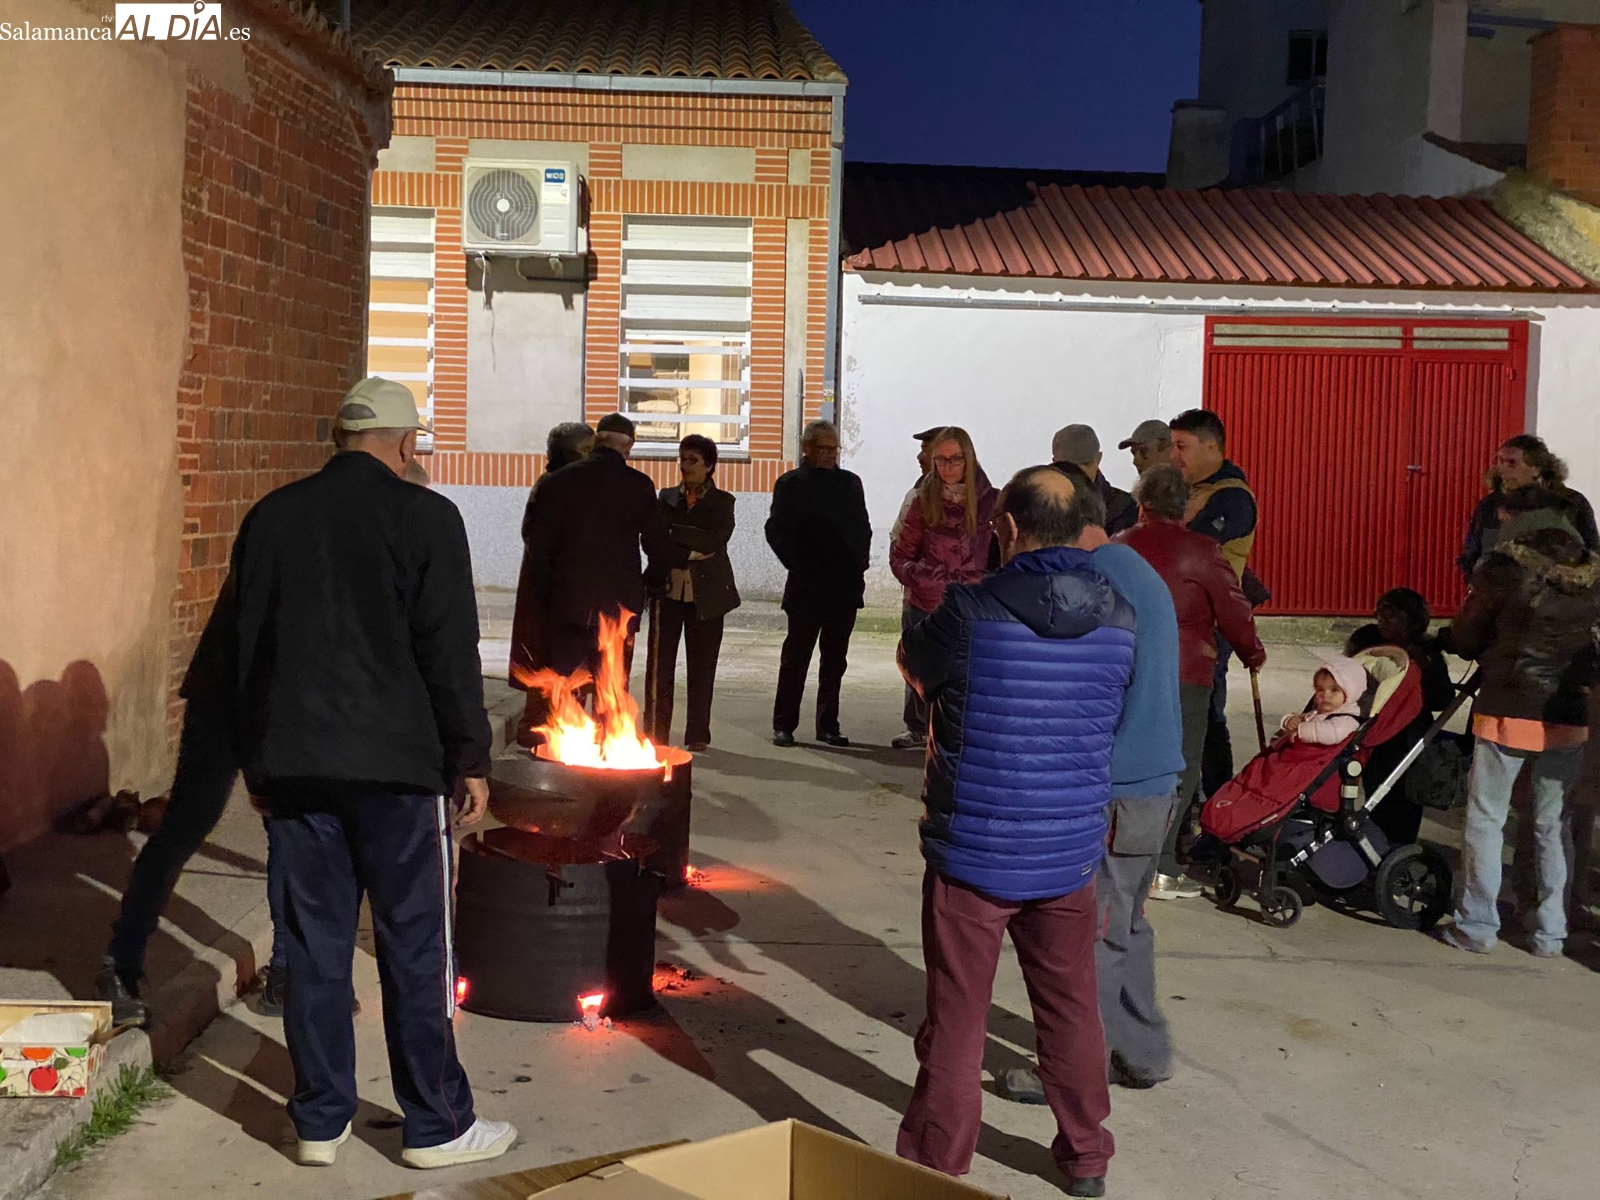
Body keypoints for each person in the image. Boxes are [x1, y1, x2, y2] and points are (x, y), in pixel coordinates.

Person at [211, 377, 513, 1168]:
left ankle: (318, 1120)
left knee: (312, 944)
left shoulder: (271, 517)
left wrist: (256, 757)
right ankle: (437, 1126)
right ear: (409, 443)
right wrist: (470, 758)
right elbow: (448, 650)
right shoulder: (424, 517)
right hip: (397, 773)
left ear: (338, 437)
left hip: (296, 767)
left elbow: (237, 649)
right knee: (415, 944)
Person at [896, 466, 1132, 1199]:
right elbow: (1110, 717)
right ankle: (1087, 1156)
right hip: (1067, 851)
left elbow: (916, 666)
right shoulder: (1122, 617)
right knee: (1070, 1011)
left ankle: (942, 1163)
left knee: (959, 1016)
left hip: (976, 848)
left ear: (1007, 528)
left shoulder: (970, 610)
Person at [1437, 488, 1600, 958]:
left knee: (1486, 818)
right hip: (1568, 714)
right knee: (1552, 824)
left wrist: (1449, 638)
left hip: (1508, 707)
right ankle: (1550, 932)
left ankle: (1477, 925)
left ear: (1519, 520)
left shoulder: (1503, 570)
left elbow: (1468, 637)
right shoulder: (1591, 572)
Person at [1114, 465, 1264, 902]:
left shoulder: (1119, 546)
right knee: (1178, 766)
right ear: (1185, 507)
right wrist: (1252, 652)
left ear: (1142, 503)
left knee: (1122, 755)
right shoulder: (1201, 550)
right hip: (1183, 671)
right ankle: (1160, 866)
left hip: (1122, 666)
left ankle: (1117, 848)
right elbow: (1233, 608)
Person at [1080, 490, 1188, 1090]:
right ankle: (1139, 1051)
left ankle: (1078, 1068)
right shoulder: (1135, 568)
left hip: (1119, 785)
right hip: (1151, 783)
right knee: (1127, 924)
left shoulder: (1096, 578)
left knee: (1093, 934)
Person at [510, 413, 684, 705]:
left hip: (569, 603)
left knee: (566, 687)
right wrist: (654, 580)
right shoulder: (638, 485)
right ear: (629, 447)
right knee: (611, 689)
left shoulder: (559, 482)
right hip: (619, 606)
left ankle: (565, 747)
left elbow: (537, 543)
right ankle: (608, 743)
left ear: (595, 441)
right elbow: (657, 544)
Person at [1169, 408, 1260, 799]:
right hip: (1178, 623)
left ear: (1212, 447)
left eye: (1181, 446)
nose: (1174, 455)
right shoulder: (1191, 489)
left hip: (1210, 628)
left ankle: (1217, 804)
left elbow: (1191, 549)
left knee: (1206, 719)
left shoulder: (1233, 499)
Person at [889, 427, 997, 751]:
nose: (947, 467)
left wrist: (980, 582)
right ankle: (919, 728)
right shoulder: (922, 500)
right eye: (941, 460)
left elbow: (1004, 555)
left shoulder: (991, 502)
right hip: (927, 603)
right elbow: (900, 556)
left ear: (969, 459)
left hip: (973, 606)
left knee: (967, 679)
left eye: (955, 459)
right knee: (922, 673)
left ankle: (964, 739)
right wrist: (928, 578)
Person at [767, 420, 872, 748]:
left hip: (842, 585)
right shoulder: (791, 484)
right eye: (823, 448)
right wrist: (796, 563)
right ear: (807, 449)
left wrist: (860, 565)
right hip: (806, 584)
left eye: (834, 448)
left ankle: (828, 724)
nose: (829, 454)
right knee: (796, 657)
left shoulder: (850, 484)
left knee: (834, 661)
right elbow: (777, 530)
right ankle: (784, 724)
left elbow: (862, 528)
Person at [645, 434, 740, 752]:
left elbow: (713, 543)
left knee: (702, 666)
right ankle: (655, 731)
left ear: (709, 466)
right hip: (668, 591)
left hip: (708, 594)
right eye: (682, 459)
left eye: (692, 460)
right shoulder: (666, 498)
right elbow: (653, 541)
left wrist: (674, 539)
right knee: (661, 667)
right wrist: (682, 549)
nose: (685, 466)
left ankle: (698, 733)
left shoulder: (723, 502)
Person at [1344, 588, 1455, 847]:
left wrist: (1425, 669)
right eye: (1380, 611)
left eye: (1391, 614)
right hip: (1372, 728)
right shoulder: (1367, 640)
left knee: (1403, 794)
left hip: (1407, 733)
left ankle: (1399, 847)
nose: (1382, 618)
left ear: (1412, 620)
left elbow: (1443, 699)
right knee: (1373, 788)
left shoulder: (1425, 651)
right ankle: (1374, 842)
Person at [1460, 434, 1599, 577]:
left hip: (1558, 592)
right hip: (1501, 590)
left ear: (1536, 469)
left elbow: (1592, 556)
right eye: (1500, 461)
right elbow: (1472, 555)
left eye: (1512, 463)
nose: (1502, 469)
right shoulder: (1490, 506)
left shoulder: (1571, 503)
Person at [1053, 423, 1136, 535]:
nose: (1079, 473)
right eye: (1069, 467)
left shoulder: (1124, 507)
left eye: (1086, 464)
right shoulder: (1038, 505)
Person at [1279, 658, 1367, 745]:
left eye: (1334, 690)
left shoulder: (1347, 719)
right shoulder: (1318, 711)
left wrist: (1301, 730)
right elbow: (1304, 718)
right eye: (1320, 689)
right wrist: (1290, 721)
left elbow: (1332, 733)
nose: (1325, 695)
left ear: (1350, 693)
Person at [890, 426, 942, 542]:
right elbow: (897, 538)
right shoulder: (915, 495)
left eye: (925, 451)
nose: (918, 457)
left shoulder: (980, 497)